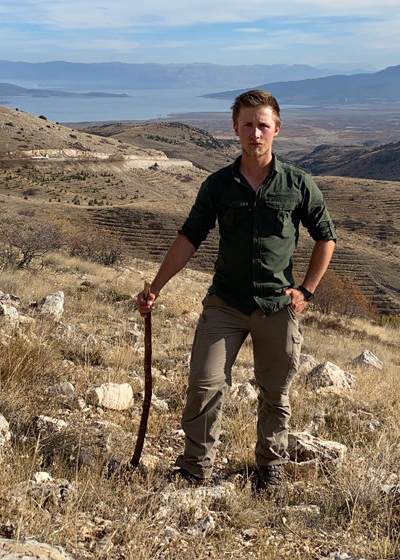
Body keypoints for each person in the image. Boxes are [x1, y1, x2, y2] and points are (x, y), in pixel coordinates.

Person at [138, 89, 336, 496]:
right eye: (248, 124)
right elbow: (190, 236)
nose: (255, 133)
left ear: (277, 130)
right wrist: (155, 287)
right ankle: (195, 468)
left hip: (277, 306)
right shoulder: (218, 185)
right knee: (204, 384)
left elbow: (325, 237)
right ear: (235, 129)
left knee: (275, 392)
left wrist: (307, 292)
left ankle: (270, 468)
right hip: (225, 303)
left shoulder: (298, 184)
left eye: (263, 125)